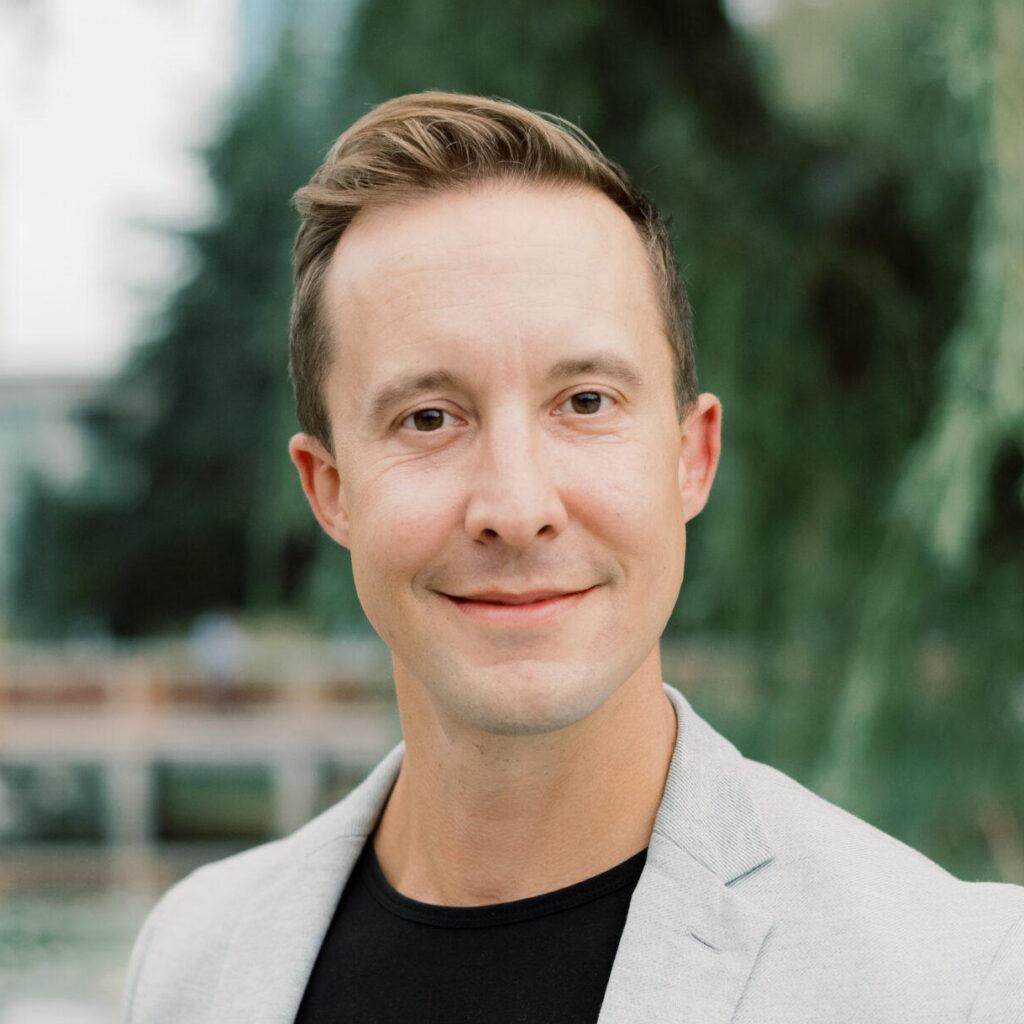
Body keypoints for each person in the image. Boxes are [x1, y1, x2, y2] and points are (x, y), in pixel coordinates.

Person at [121, 92, 1023, 1024]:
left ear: (691, 458)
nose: (516, 510)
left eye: (586, 402)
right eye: (428, 418)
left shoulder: (961, 984)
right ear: (331, 490)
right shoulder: (192, 961)